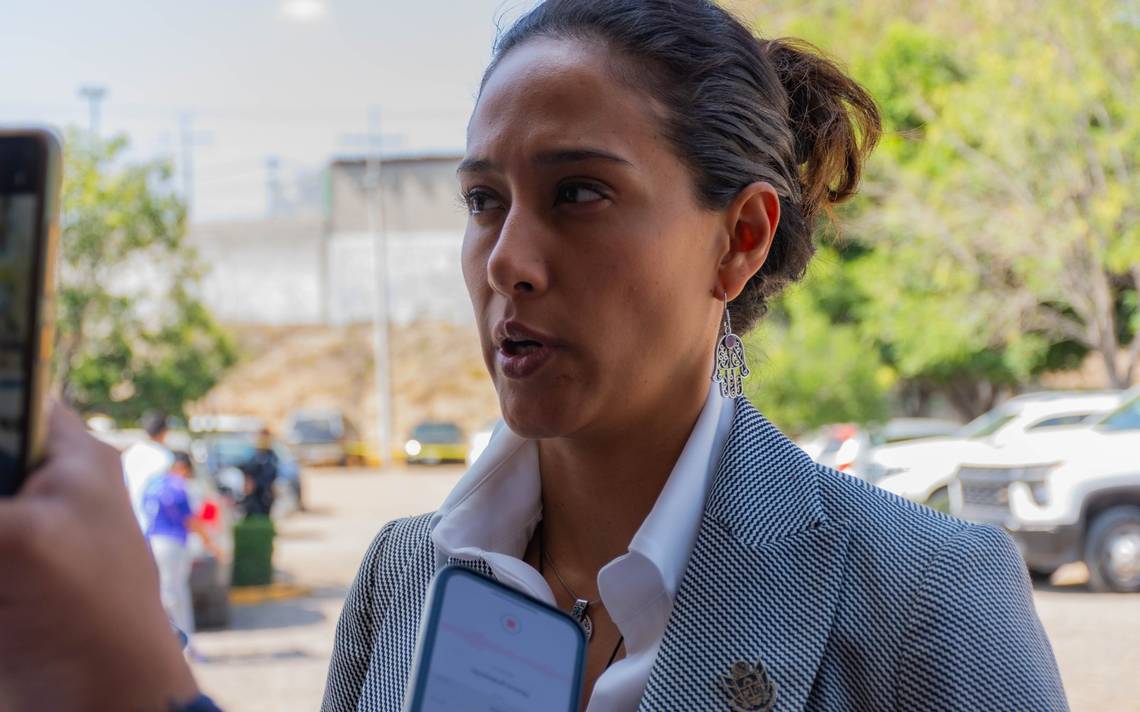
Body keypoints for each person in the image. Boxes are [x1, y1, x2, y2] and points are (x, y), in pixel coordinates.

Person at [0, 1, 1067, 711]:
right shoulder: (403, 575)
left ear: (739, 239)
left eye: (579, 193)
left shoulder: (926, 595)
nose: (508, 259)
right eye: (483, 201)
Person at [142, 451, 221, 652]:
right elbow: (192, 520)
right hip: (173, 544)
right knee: (174, 594)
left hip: (152, 542)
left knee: (167, 592)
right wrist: (210, 544)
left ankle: (175, 642)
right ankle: (179, 644)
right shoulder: (177, 486)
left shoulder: (152, 484)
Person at [122, 410, 173, 531]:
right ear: (165, 432)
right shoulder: (165, 456)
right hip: (157, 522)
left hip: (133, 519)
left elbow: (124, 487)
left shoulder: (130, 453)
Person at [239, 428, 278, 518]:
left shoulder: (272, 456)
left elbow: (273, 473)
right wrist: (248, 482)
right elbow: (247, 469)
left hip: (265, 490)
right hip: (255, 490)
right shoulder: (254, 454)